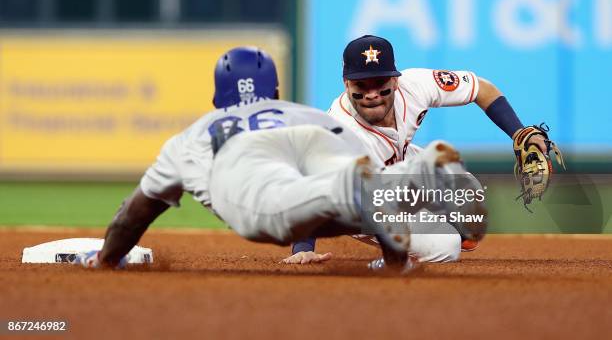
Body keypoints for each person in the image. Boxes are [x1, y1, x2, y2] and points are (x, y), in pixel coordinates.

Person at [73, 46, 477, 274]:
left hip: (261, 210)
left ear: (218, 98)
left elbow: (134, 214)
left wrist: (107, 258)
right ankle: (413, 185)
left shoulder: (191, 137)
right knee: (359, 191)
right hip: (329, 196)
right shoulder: (305, 115)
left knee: (315, 194)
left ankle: (410, 183)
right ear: (276, 88)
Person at [284, 34, 546, 265]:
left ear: (396, 81)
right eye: (361, 85)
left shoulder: (414, 86)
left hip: (397, 169)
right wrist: (303, 247)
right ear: (346, 84)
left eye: (379, 82)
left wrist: (518, 132)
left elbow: (481, 89)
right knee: (445, 247)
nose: (372, 93)